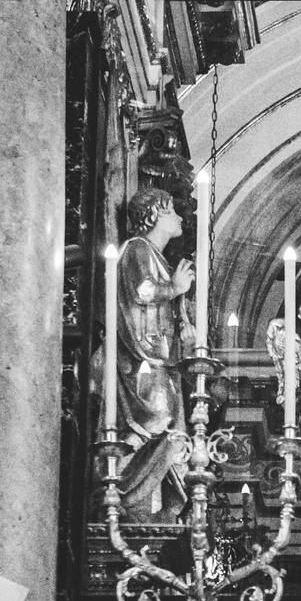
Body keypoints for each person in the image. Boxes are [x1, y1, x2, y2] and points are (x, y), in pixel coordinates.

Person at [106, 183, 194, 519]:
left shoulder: (157, 257)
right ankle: (119, 468)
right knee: (159, 414)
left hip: (160, 357)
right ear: (154, 215)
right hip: (141, 358)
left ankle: (145, 494)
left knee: (174, 430)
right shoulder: (137, 249)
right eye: (172, 211)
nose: (180, 218)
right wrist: (174, 288)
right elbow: (143, 291)